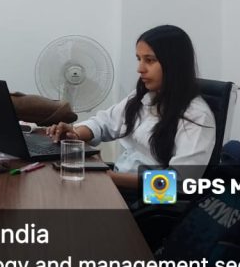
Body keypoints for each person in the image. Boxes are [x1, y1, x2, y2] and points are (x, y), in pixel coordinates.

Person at [46, 24, 214, 190]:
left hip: (149, 199)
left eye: (149, 60)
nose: (140, 69)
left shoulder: (196, 115)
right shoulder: (144, 97)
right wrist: (74, 134)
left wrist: (111, 179)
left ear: (174, 64)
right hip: (121, 183)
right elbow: (104, 123)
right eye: (139, 59)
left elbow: (179, 183)